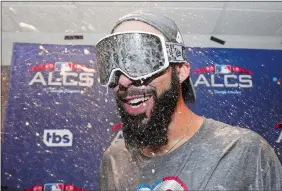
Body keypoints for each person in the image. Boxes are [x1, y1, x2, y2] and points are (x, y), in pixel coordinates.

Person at [95, 11, 282, 191]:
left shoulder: (243, 151)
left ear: (181, 71)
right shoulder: (115, 161)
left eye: (142, 61)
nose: (123, 81)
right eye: (113, 67)